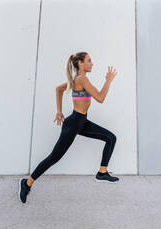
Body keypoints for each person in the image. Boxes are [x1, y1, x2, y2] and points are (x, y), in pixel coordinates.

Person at [19, 52, 118, 203]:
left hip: (81, 121)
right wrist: (108, 81)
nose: (92, 63)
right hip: (73, 124)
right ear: (80, 63)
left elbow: (59, 89)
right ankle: (26, 183)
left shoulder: (77, 79)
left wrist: (59, 111)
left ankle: (102, 172)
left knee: (110, 138)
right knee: (54, 158)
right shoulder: (82, 79)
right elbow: (100, 97)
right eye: (89, 61)